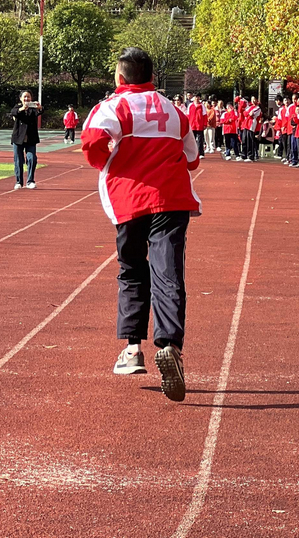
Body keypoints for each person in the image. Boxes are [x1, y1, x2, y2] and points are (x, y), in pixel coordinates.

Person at [81, 46, 200, 402]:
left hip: (130, 199)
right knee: (168, 273)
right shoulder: (175, 111)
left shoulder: (113, 107)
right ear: (153, 77)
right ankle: (171, 346)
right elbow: (191, 160)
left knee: (132, 269)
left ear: (120, 77)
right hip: (172, 200)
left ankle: (133, 349)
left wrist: (109, 162)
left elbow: (92, 143)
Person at [10, 90, 42, 189]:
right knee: (18, 160)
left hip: (31, 139)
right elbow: (13, 113)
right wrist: (22, 109)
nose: (26, 99)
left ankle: (30, 181)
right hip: (18, 138)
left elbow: (40, 112)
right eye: (24, 97)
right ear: (20, 99)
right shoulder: (17, 108)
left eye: (28, 97)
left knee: (32, 158)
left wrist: (39, 108)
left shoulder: (33, 109)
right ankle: (19, 182)